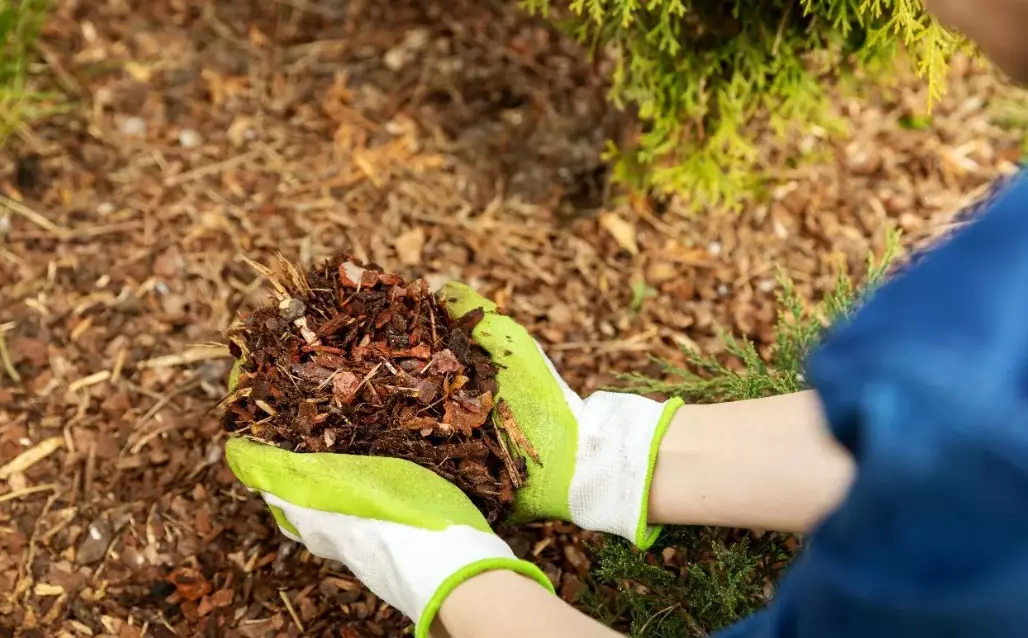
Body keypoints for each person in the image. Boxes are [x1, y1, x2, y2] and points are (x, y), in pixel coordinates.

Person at [225, 2, 1028, 636]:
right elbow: (960, 469)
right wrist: (601, 455)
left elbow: (975, 448)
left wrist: (440, 570)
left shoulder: (963, 362)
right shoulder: (977, 360)